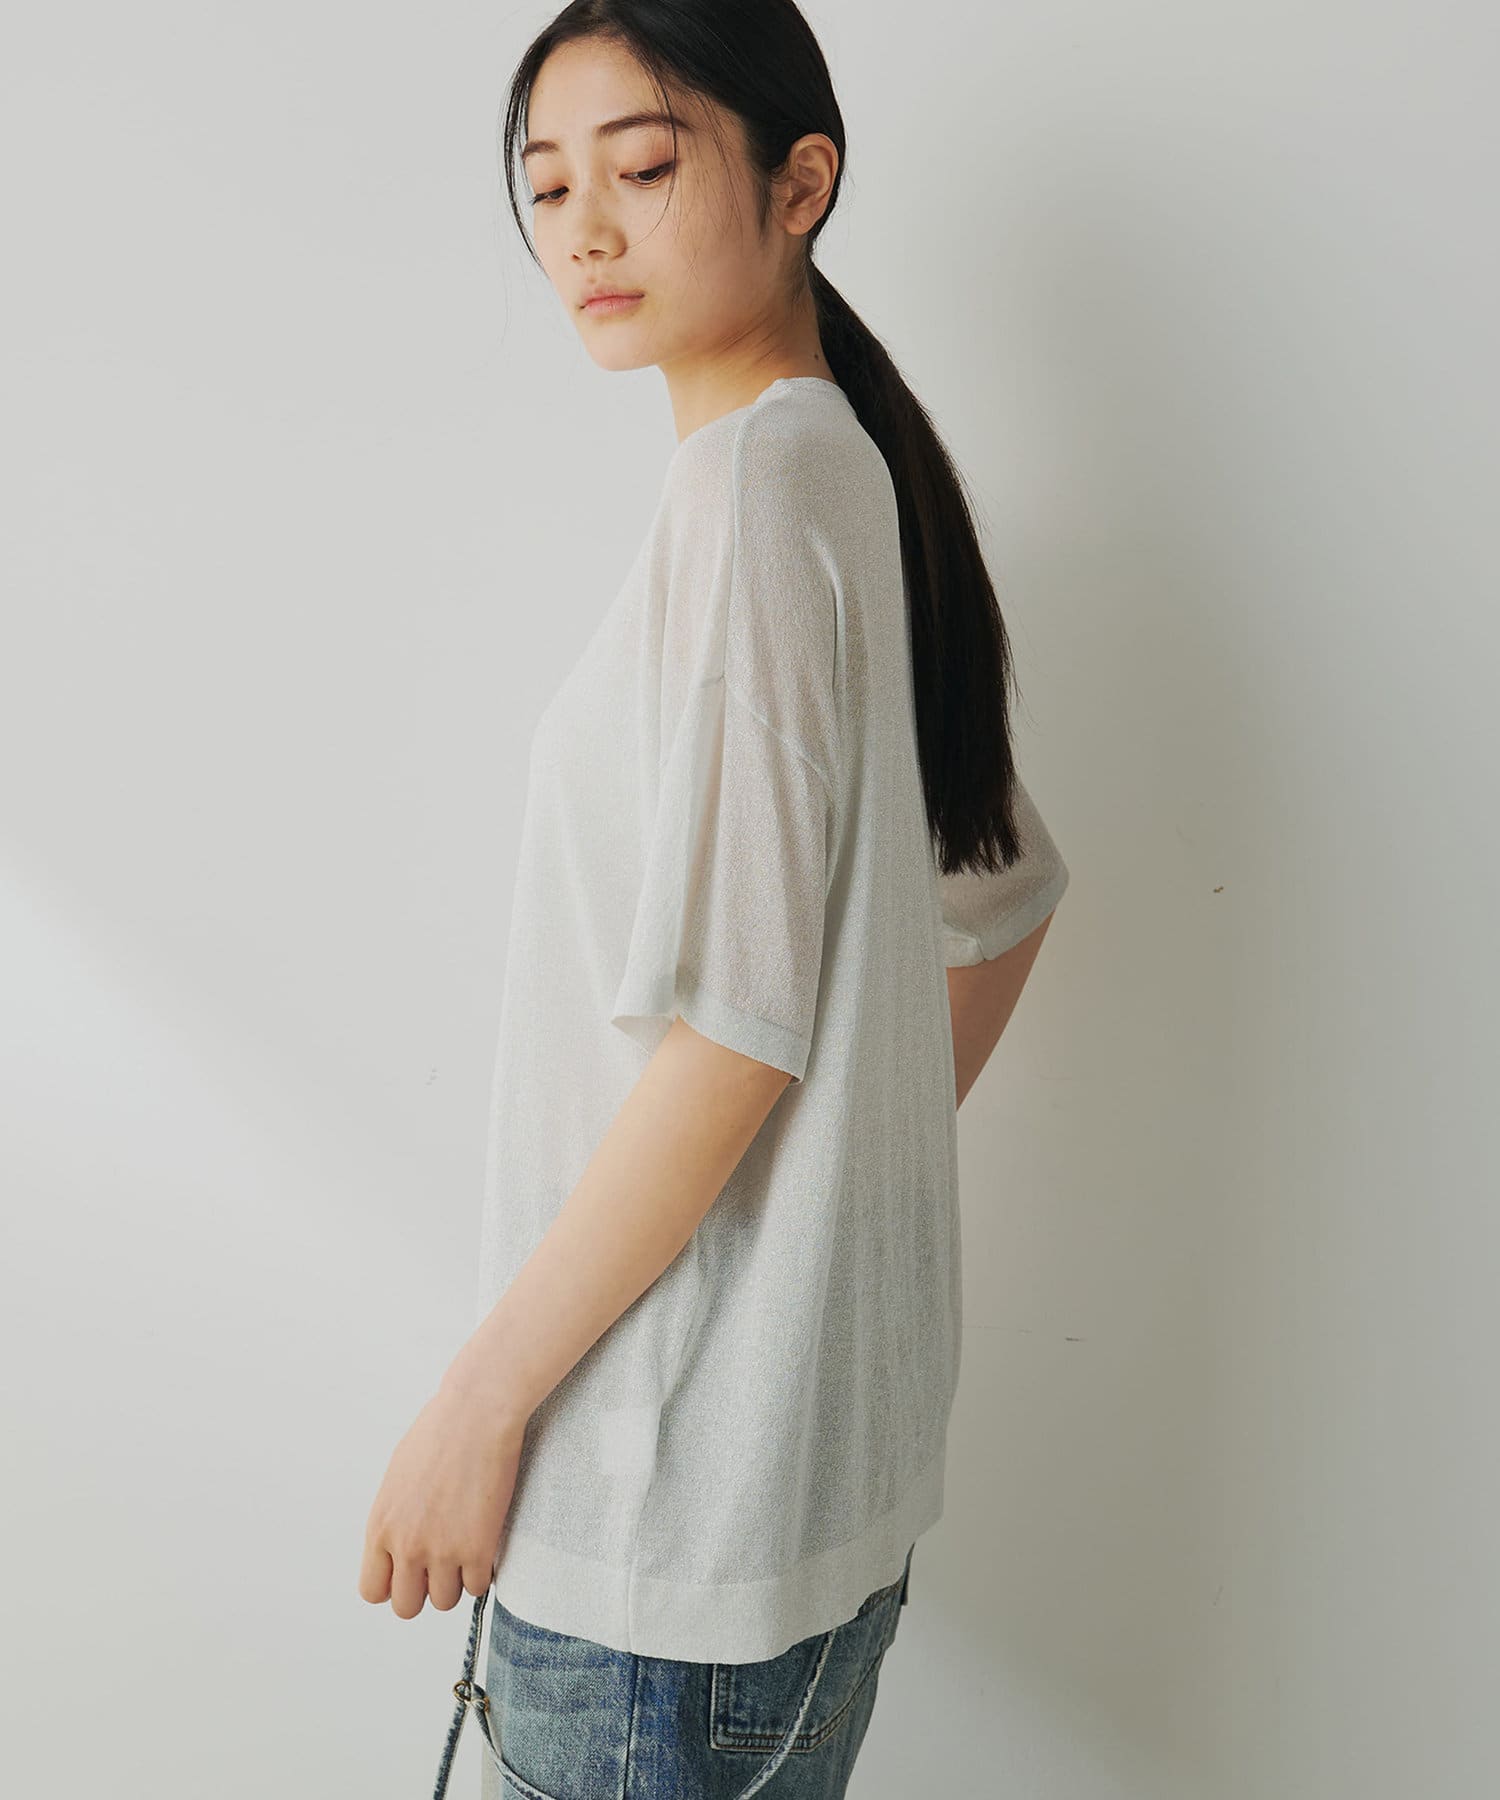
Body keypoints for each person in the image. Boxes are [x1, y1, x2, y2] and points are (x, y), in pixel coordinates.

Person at [360, 3, 1071, 1794]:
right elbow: (998, 898)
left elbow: (736, 1041)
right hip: (777, 1519)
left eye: (644, 166)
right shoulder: (842, 474)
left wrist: (474, 1406)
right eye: (547, 187)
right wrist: (805, 1211)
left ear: (798, 183)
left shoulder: (758, 495)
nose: (584, 229)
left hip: (657, 1530)